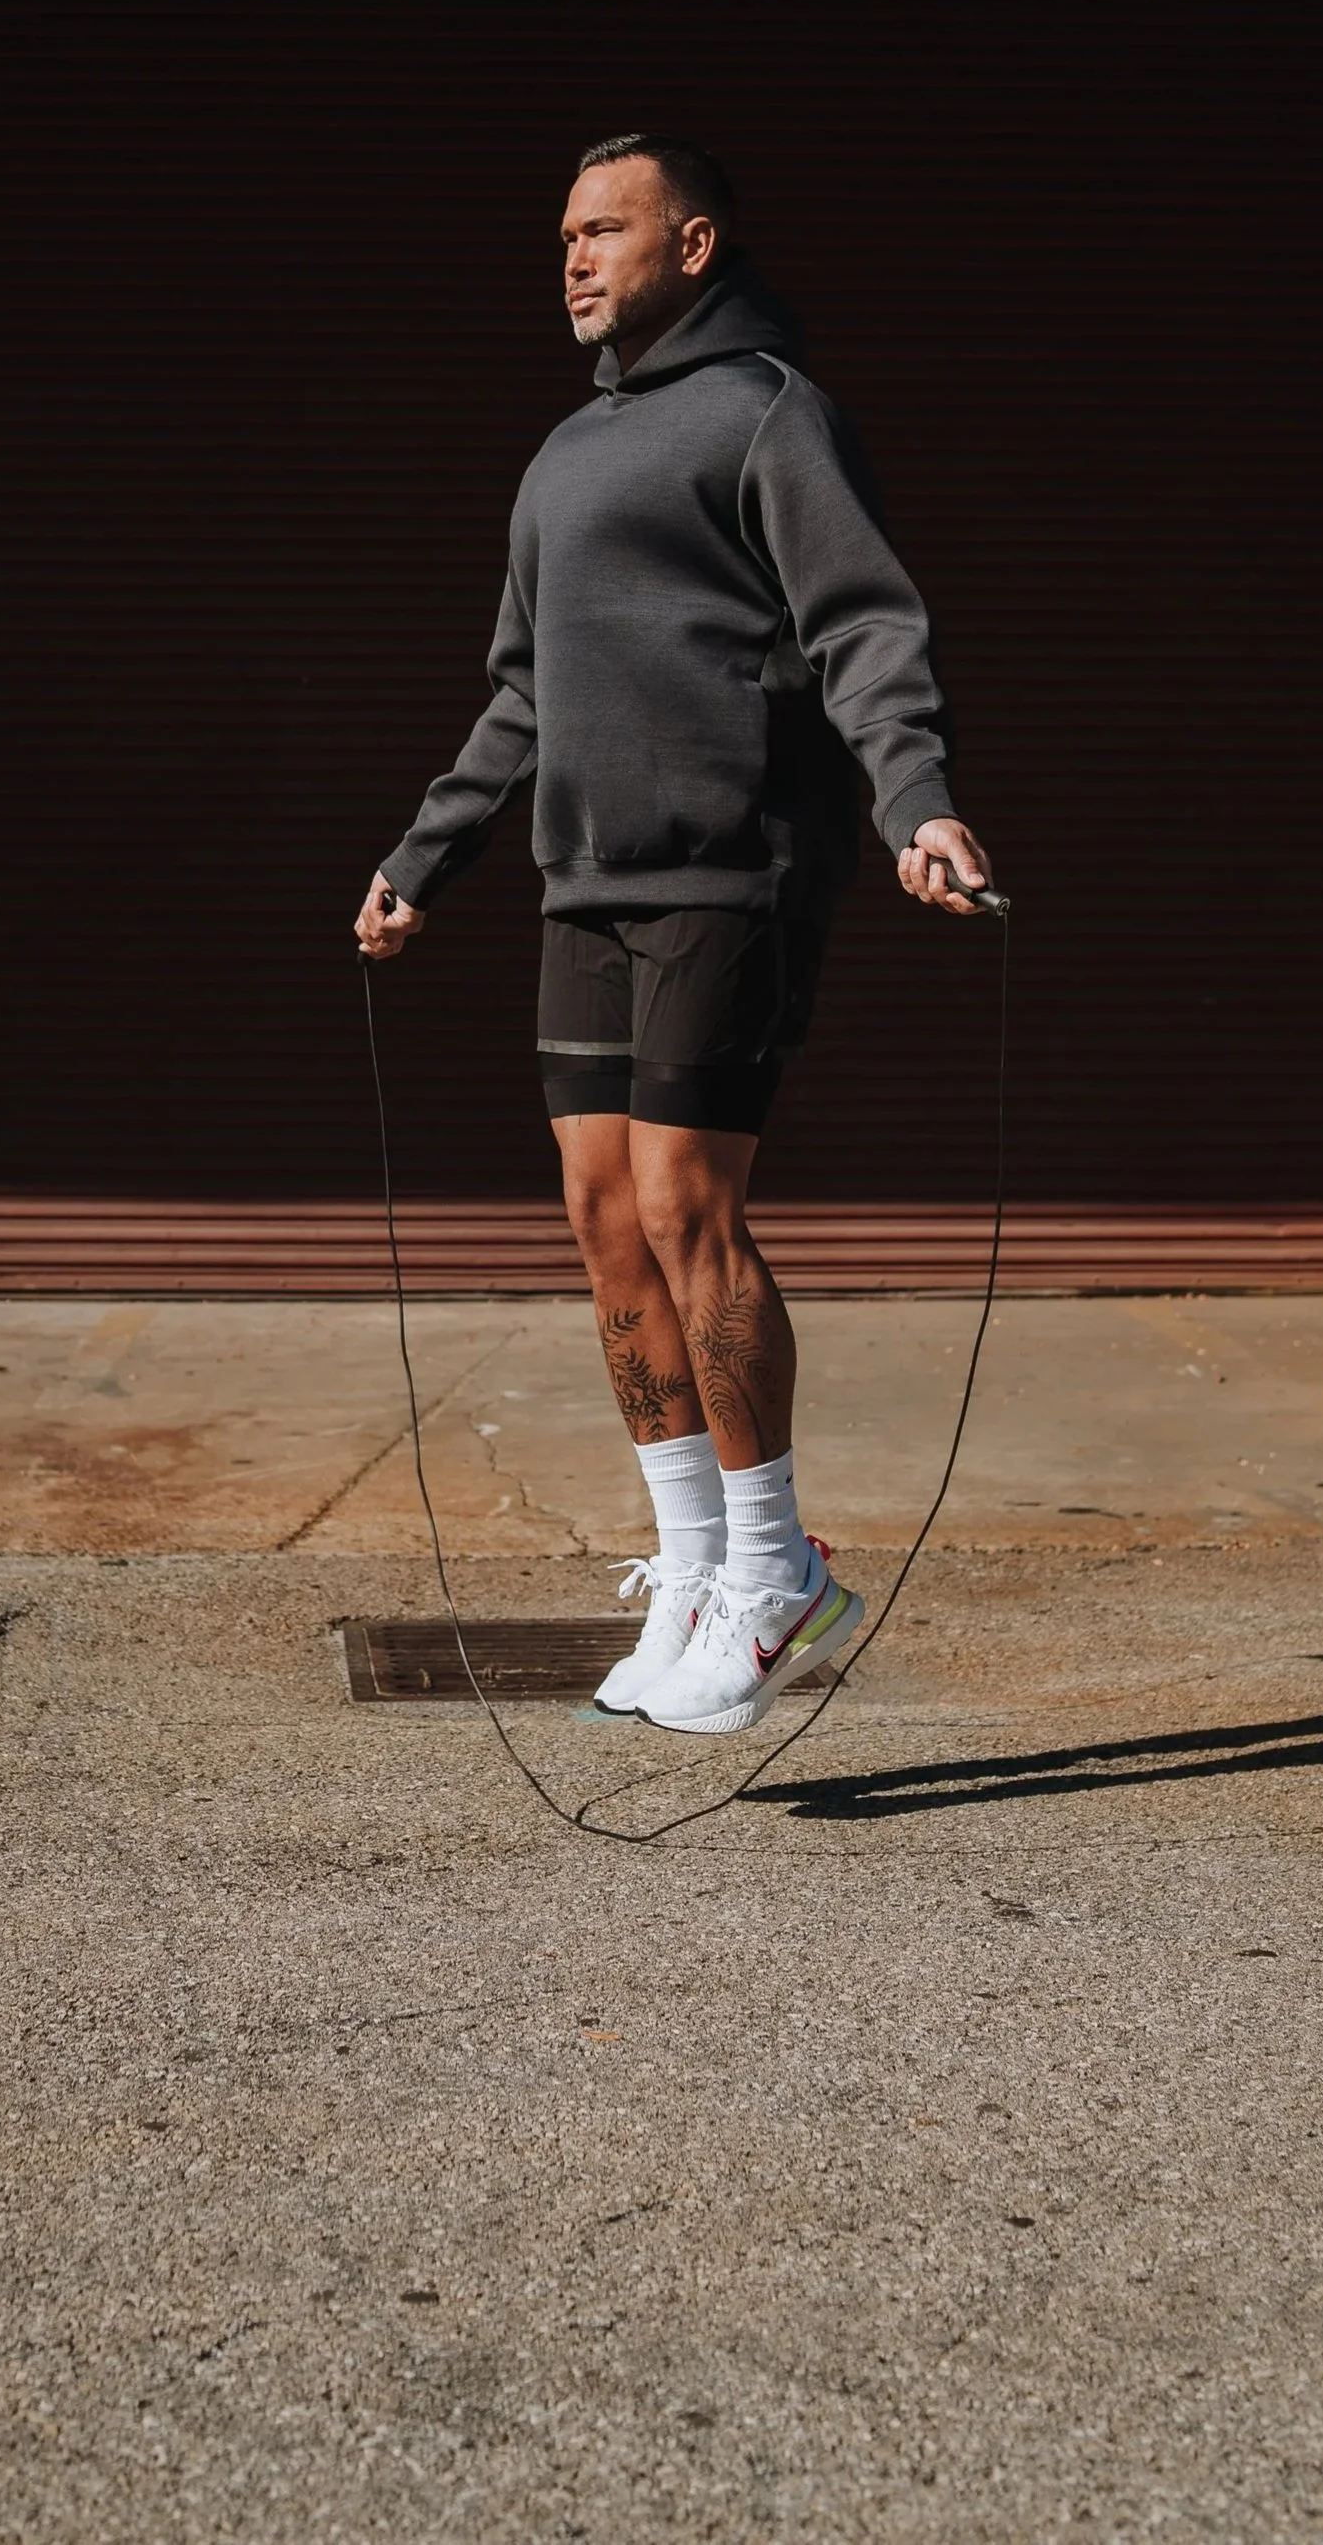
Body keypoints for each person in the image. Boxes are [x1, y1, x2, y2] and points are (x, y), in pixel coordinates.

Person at [355, 135, 993, 1733]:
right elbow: (522, 691)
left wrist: (915, 802)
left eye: (605, 229)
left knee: (686, 1205)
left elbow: (865, 627)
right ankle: (696, 1563)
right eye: (563, 234)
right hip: (585, 881)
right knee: (602, 1220)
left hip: (732, 868)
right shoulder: (562, 456)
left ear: (692, 243)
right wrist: (425, 858)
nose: (573, 257)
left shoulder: (774, 414)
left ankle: (779, 1572)